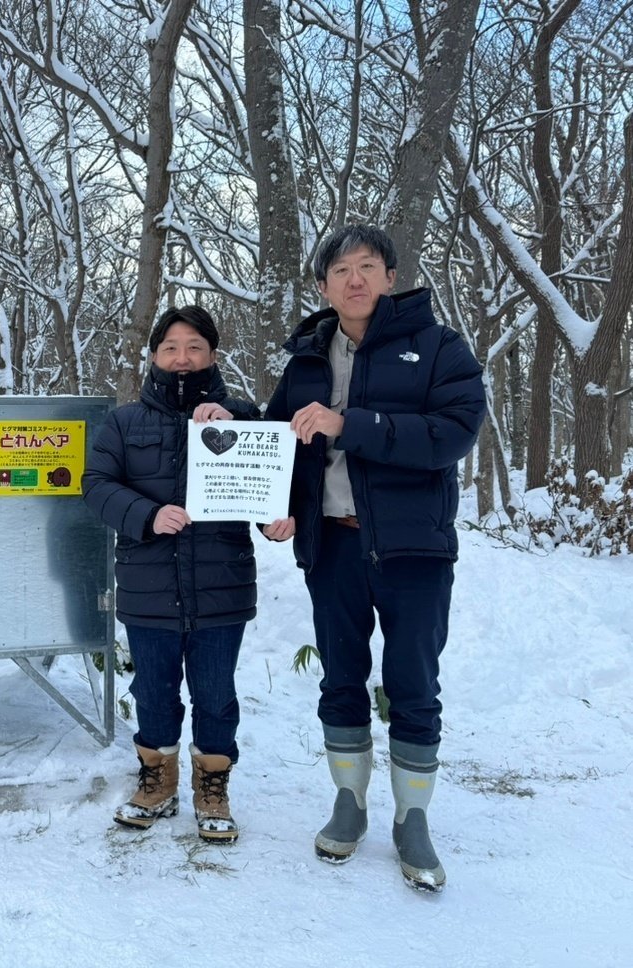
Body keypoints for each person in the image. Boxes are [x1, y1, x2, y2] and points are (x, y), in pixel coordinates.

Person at [262, 225, 486, 891]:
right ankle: (350, 803)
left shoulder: (439, 348)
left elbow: (452, 434)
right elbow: (276, 444)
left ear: (391, 276)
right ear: (323, 285)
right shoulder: (305, 358)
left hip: (413, 549)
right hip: (331, 545)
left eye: (367, 267)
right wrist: (275, 505)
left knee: (414, 683)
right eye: (340, 270)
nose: (353, 279)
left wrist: (349, 424)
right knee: (340, 677)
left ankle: (412, 817)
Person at [82, 305, 260, 841]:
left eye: (195, 347)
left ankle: (214, 788)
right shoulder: (124, 421)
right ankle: (156, 784)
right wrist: (147, 515)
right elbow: (96, 484)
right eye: (171, 348)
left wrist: (241, 432)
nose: (182, 358)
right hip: (148, 585)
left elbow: (275, 484)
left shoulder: (245, 415)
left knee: (215, 692)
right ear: (154, 356)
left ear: (212, 354)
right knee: (154, 690)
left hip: (221, 583)